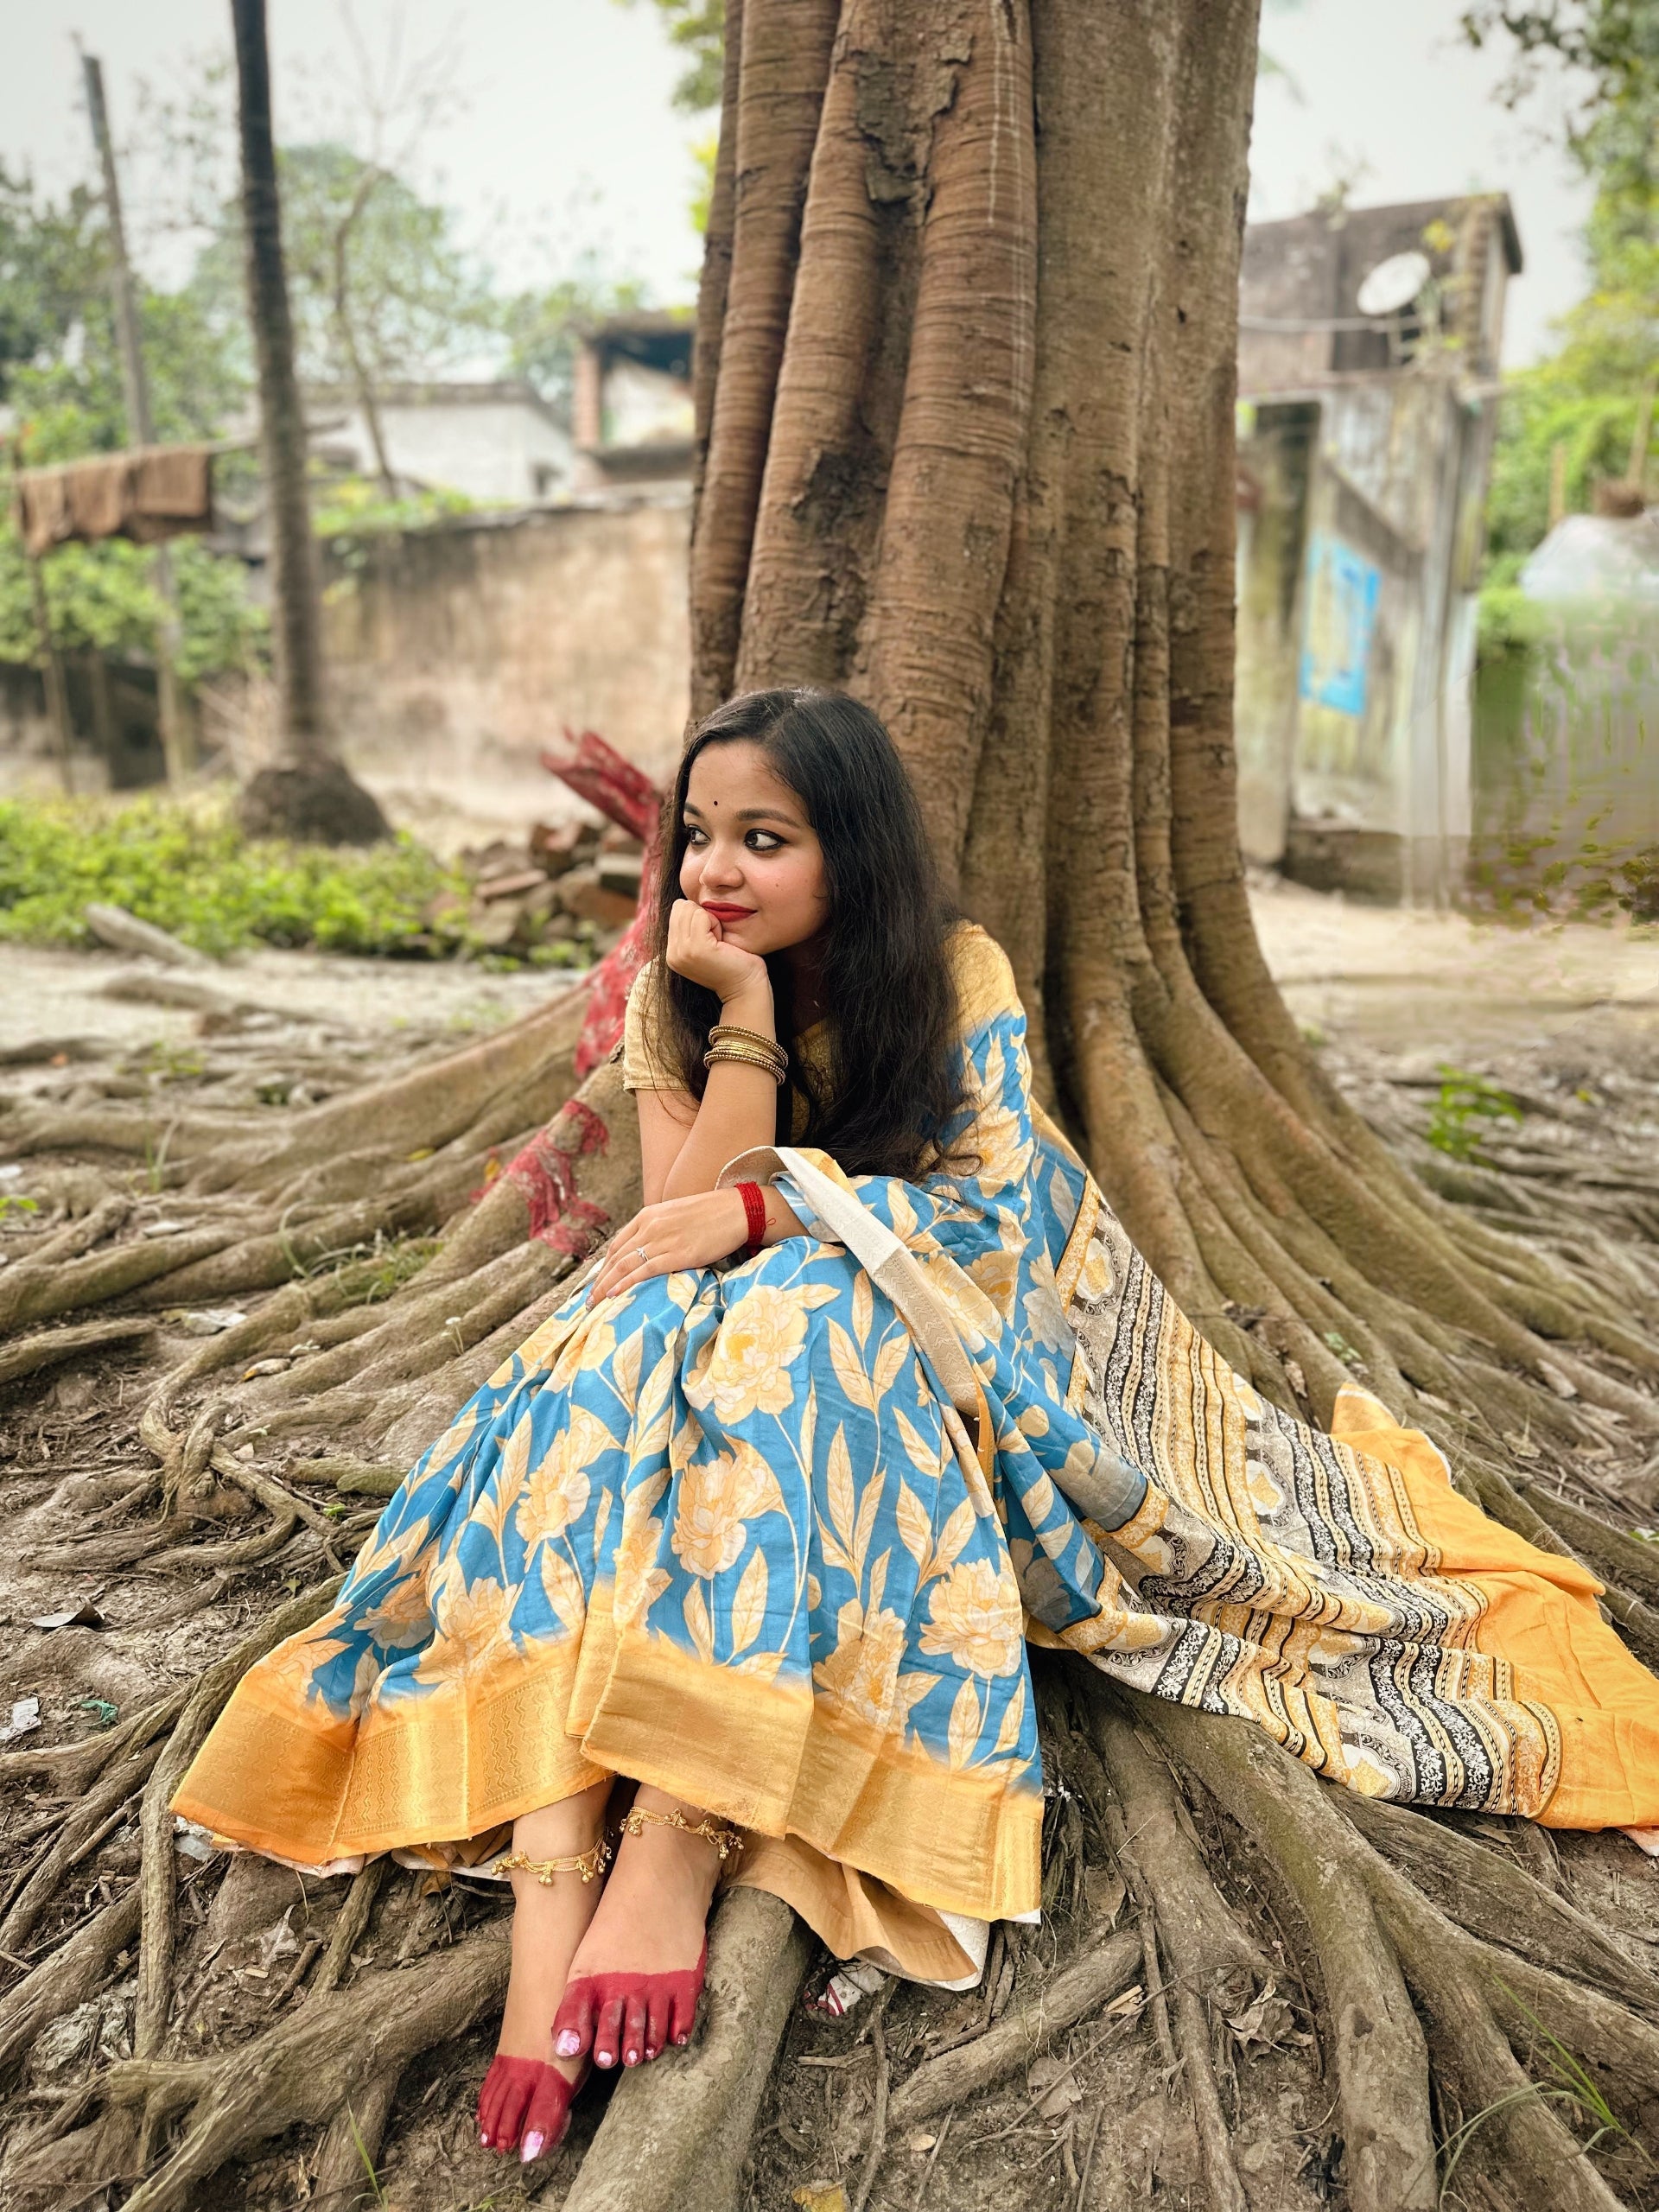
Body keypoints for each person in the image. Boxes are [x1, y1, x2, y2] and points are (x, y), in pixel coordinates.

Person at [175, 686, 1659, 2166]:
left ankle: (682, 1827)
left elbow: (991, 1221)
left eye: (766, 839)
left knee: (807, 1311)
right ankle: (555, 1879)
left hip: (955, 1335)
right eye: (699, 835)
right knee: (631, 1332)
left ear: (856, 853)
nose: (717, 871)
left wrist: (781, 1210)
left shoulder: (954, 972)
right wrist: (742, 1028)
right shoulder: (673, 987)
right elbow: (664, 1225)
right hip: (714, 1318)